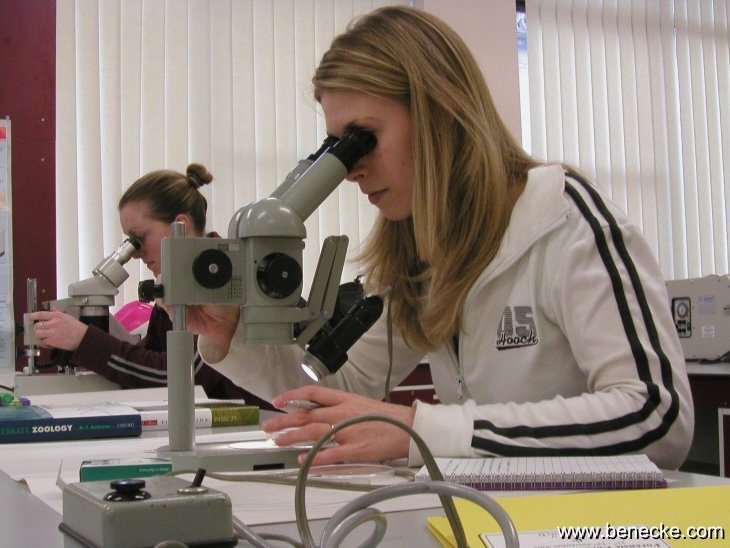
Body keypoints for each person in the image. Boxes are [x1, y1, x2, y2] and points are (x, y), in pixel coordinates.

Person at [186, 6, 694, 468]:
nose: (350, 171)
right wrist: (231, 339)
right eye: (339, 148)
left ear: (438, 114)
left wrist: (423, 430)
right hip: (489, 515)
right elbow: (340, 394)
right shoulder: (424, 251)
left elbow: (657, 417)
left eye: (363, 138)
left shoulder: (565, 223)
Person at [29, 164, 273, 408]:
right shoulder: (176, 281)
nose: (135, 254)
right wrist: (70, 343)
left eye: (139, 238)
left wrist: (84, 341)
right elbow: (146, 366)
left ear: (181, 225)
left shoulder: (224, 280)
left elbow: (184, 377)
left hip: (259, 426)